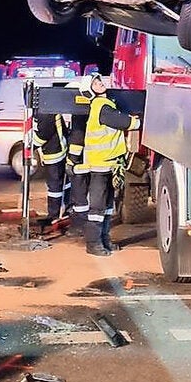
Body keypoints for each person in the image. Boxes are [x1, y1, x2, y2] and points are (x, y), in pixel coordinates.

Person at [83, 72, 140, 256]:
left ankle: (105, 240)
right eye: (95, 83)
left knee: (107, 205)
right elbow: (122, 122)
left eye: (99, 80)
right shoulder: (101, 106)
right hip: (100, 165)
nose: (100, 83)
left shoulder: (106, 104)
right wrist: (137, 121)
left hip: (109, 163)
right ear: (89, 90)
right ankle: (93, 244)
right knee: (98, 207)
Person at [64, 76, 93, 236]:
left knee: (80, 191)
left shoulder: (79, 111)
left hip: (82, 159)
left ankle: (80, 226)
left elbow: (77, 135)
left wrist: (72, 159)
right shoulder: (96, 104)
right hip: (97, 158)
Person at [34, 107, 69, 226]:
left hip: (55, 152)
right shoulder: (48, 107)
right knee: (61, 184)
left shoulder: (45, 111)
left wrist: (30, 145)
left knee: (54, 186)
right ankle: (63, 211)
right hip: (57, 149)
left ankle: (54, 215)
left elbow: (43, 134)